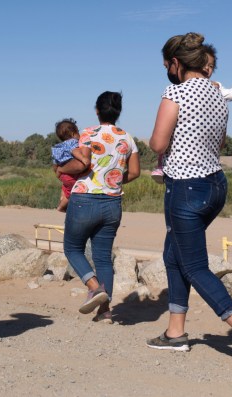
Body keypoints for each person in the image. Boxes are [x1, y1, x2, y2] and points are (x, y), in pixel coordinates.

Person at [146, 32, 232, 367]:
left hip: (185, 187)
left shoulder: (175, 92)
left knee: (195, 265)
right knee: (174, 256)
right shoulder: (217, 94)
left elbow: (158, 144)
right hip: (214, 185)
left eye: (167, 65)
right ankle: (175, 333)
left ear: (176, 63)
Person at [57, 91, 139, 323]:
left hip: (85, 199)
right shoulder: (128, 138)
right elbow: (134, 172)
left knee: (72, 248)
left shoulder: (88, 133)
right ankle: (105, 312)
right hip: (113, 203)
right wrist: (112, 180)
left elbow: (79, 163)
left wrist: (62, 170)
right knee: (103, 257)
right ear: (118, 112)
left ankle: (93, 287)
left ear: (96, 110)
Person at [151, 55, 232, 183]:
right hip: (213, 176)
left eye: (211, 66)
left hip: (186, 176)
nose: (207, 69)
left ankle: (162, 168)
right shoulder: (195, 90)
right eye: (204, 65)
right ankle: (161, 167)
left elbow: (158, 145)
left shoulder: (214, 88)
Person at [50, 118, 89, 212]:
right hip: (71, 175)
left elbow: (55, 163)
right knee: (70, 193)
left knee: (65, 187)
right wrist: (84, 158)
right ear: (72, 134)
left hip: (64, 176)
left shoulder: (59, 147)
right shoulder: (73, 142)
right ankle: (61, 207)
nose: (79, 134)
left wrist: (57, 172)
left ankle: (61, 201)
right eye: (78, 132)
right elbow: (74, 151)